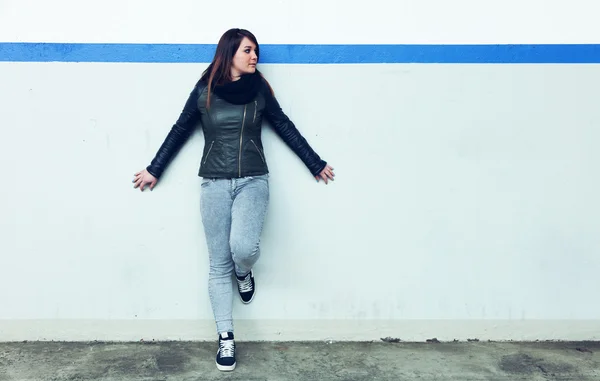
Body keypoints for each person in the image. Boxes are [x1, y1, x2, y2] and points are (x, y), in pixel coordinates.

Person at [132, 28, 334, 371]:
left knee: (242, 248)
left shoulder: (260, 91)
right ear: (230, 54)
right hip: (213, 183)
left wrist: (315, 162)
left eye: (256, 51)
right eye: (248, 50)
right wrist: (155, 168)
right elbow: (180, 129)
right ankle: (226, 337)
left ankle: (244, 272)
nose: (255, 56)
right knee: (216, 265)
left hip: (253, 179)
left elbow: (284, 126)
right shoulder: (205, 91)